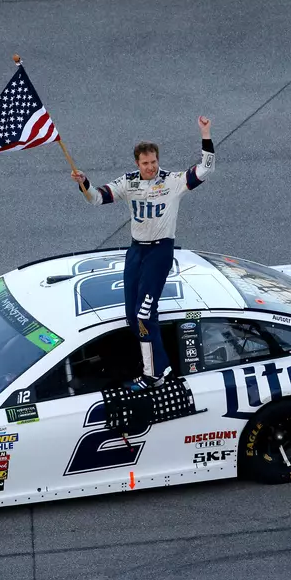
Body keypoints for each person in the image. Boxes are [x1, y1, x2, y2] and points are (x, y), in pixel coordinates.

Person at [70, 116, 215, 391]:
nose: (150, 167)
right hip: (136, 252)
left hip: (160, 252)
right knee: (131, 315)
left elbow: (206, 169)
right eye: (145, 163)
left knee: (144, 315)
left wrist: (205, 133)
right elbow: (97, 198)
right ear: (137, 163)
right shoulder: (129, 182)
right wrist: (84, 183)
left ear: (158, 160)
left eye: (154, 162)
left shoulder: (172, 181)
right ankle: (162, 365)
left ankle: (153, 375)